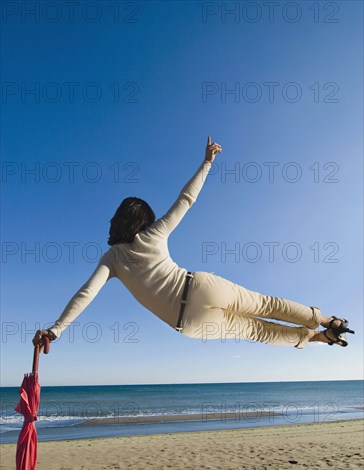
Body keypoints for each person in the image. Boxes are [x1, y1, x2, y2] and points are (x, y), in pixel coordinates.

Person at [33, 136, 354, 351]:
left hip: (189, 324)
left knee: (257, 331)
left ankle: (318, 338)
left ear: (118, 221)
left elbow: (86, 294)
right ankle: (327, 320)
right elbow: (186, 200)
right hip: (199, 288)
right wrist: (207, 162)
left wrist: (56, 329)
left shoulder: (111, 259)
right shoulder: (152, 234)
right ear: (141, 220)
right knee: (266, 305)